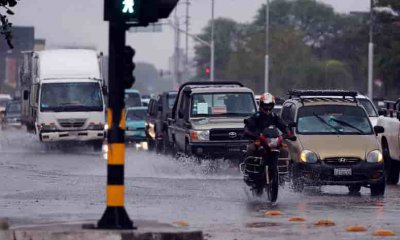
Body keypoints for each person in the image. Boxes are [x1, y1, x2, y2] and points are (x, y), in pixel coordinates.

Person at [244, 92, 291, 156]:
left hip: (273, 142)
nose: (268, 107)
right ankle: (248, 165)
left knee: (284, 151)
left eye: (270, 105)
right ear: (261, 105)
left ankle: (283, 165)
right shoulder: (256, 116)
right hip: (258, 140)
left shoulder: (274, 116)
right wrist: (251, 134)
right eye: (265, 105)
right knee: (251, 149)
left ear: (272, 105)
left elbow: (283, 125)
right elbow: (248, 127)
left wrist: (288, 133)